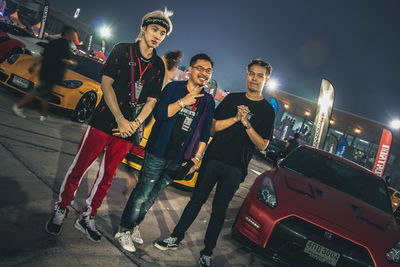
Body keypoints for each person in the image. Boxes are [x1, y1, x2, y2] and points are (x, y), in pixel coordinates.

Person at [44, 8, 173, 242]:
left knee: (107, 176)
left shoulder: (157, 65)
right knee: (79, 167)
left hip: (128, 131)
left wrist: (134, 124)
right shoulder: (122, 50)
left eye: (163, 33)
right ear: (144, 28)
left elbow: (152, 100)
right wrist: (121, 119)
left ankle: (87, 215)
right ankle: (62, 207)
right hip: (104, 121)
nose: (157, 35)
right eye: (154, 29)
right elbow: (106, 83)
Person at [154, 59, 275, 267]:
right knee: (196, 200)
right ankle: (175, 237)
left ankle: (207, 252)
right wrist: (236, 118)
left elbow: (263, 144)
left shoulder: (267, 110)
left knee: (219, 210)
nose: (254, 78)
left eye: (259, 75)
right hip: (214, 159)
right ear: (247, 74)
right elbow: (212, 126)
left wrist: (246, 123)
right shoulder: (232, 99)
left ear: (266, 79)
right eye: (251, 73)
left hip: (236, 167)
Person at [115, 53, 215, 253]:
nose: (204, 73)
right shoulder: (174, 88)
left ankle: (133, 225)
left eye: (208, 71)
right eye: (200, 68)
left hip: (179, 159)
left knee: (152, 197)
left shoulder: (208, 101)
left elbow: (205, 134)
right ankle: (124, 229)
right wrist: (182, 103)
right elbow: (160, 114)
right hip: (158, 152)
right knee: (142, 193)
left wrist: (196, 159)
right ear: (190, 70)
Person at [123, 50, 183, 195]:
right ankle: (134, 177)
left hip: (146, 112)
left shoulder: (162, 75)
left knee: (129, 142)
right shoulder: (169, 79)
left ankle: (132, 177)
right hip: (151, 115)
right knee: (132, 143)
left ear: (165, 61)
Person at [12, 26, 77, 121]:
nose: (73, 37)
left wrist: (34, 65)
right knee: (38, 91)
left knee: (46, 95)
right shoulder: (64, 44)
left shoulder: (53, 42)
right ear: (67, 34)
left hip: (45, 71)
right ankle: (18, 106)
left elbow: (43, 55)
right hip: (52, 73)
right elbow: (63, 58)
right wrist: (72, 62)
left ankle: (44, 115)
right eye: (73, 34)